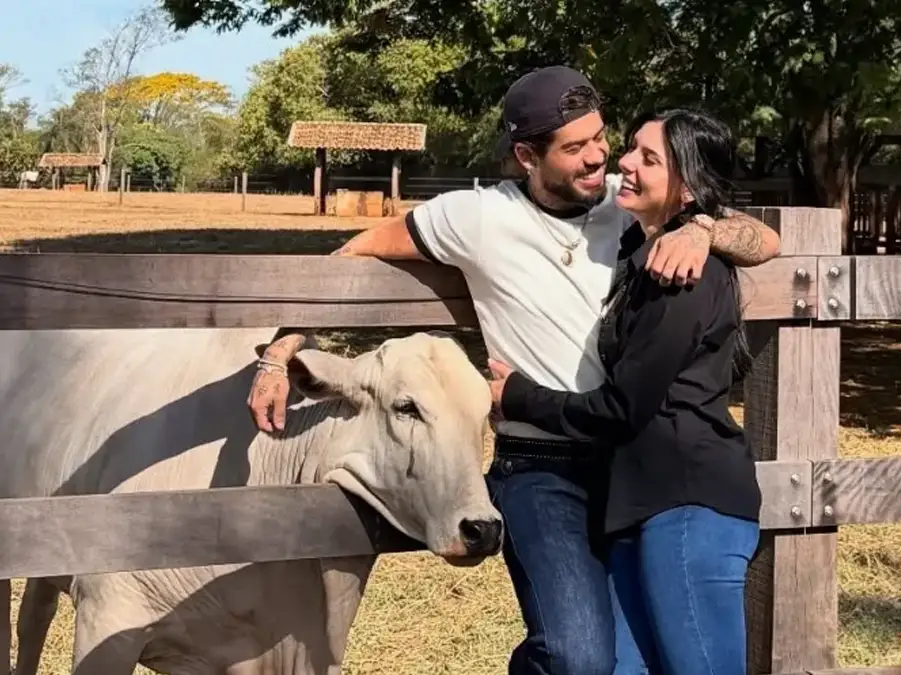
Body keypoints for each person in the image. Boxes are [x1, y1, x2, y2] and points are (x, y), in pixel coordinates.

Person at [247, 66, 779, 675]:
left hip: (630, 466)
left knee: (632, 661)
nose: (599, 159)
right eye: (576, 148)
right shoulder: (472, 217)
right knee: (578, 658)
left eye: (602, 137)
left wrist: (705, 231)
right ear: (527, 155)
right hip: (541, 466)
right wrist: (282, 347)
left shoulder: (625, 205)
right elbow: (352, 253)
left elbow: (764, 239)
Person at [487, 107, 762, 675]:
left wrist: (518, 396)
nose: (625, 163)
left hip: (688, 505)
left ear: (686, 189)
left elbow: (621, 410)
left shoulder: (683, 278)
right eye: (631, 148)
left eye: (649, 158)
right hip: (641, 508)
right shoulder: (644, 250)